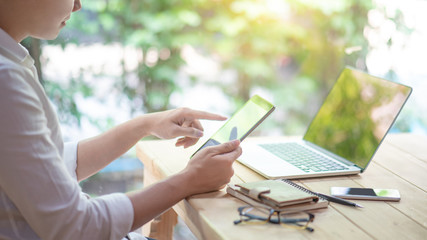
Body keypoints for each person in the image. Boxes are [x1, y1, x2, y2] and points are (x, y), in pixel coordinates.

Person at [0, 0, 242, 239]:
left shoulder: (10, 62)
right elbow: (76, 227)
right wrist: (189, 180)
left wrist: (145, 125)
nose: (77, 5)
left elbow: (48, 170)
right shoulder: (6, 80)